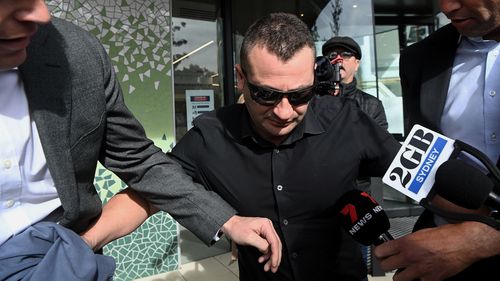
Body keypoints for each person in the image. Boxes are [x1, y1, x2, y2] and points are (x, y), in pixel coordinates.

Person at [0, 1, 281, 279]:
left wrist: (226, 220)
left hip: (64, 261)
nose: (39, 14)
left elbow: (139, 160)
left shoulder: (77, 54)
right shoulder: (209, 134)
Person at [168, 12, 400, 281]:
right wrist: (224, 218)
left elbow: (427, 173)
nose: (284, 112)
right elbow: (156, 182)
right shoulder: (211, 135)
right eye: (266, 94)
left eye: (301, 95)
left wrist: (460, 236)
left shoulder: (347, 120)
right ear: (241, 78)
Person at [373, 0, 500, 280]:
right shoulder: (419, 58)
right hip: (437, 259)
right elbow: (422, 159)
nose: (446, 6)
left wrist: (484, 237)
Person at [321, 36, 388, 130]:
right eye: (332, 55)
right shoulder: (314, 100)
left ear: (357, 64)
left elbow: (380, 142)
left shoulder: (372, 105)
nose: (339, 59)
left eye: (346, 54)